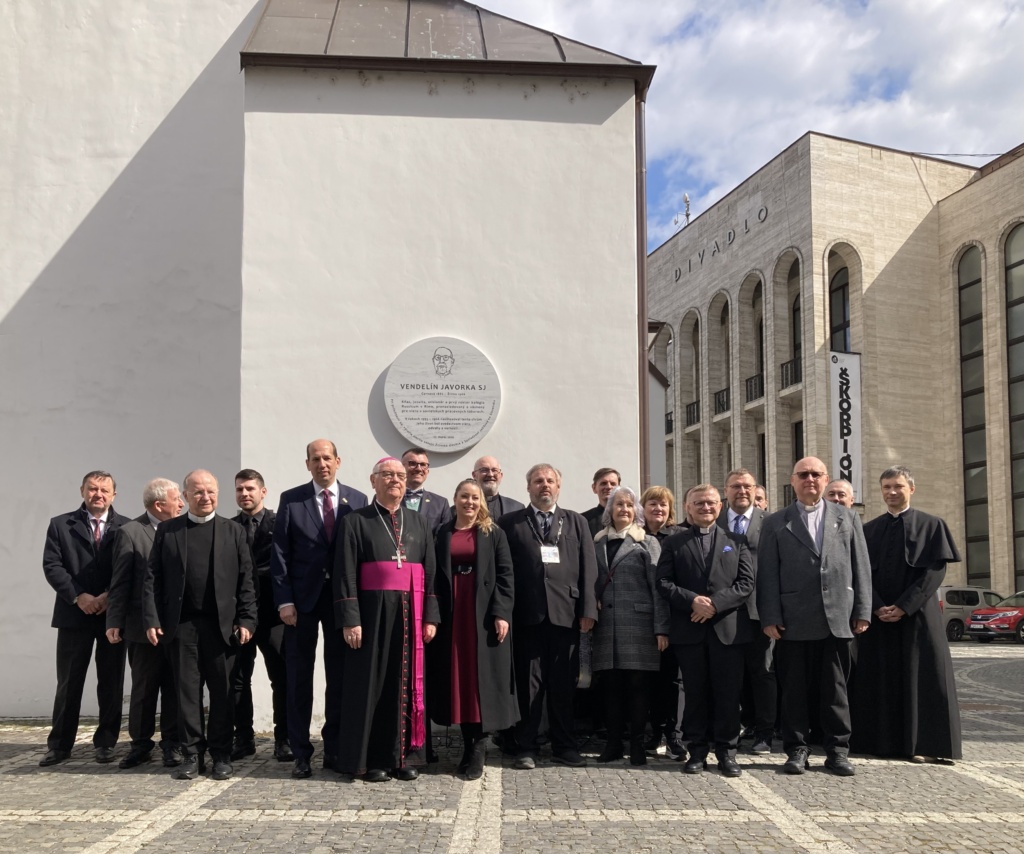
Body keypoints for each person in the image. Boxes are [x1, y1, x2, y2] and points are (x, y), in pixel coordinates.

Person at [757, 457, 871, 777]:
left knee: (836, 690)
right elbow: (767, 575)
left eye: (816, 474)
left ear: (826, 480)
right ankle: (797, 749)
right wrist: (769, 616)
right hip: (792, 620)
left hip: (838, 618)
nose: (810, 479)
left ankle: (837, 750)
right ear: (792, 481)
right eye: (803, 474)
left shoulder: (847, 518)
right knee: (794, 689)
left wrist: (862, 610)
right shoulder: (776, 522)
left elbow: (861, 567)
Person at [143, 470, 257, 781]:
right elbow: (153, 579)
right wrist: (152, 619)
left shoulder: (234, 531)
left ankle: (221, 754)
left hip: (223, 628)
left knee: (221, 693)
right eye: (198, 492)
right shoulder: (168, 531)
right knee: (186, 694)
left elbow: (247, 580)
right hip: (182, 627)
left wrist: (247, 618)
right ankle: (192, 754)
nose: (205, 497)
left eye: (210, 491)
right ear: (185, 496)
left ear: (217, 494)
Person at [334, 457, 440, 782]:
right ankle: (373, 759)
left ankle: (404, 757)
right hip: (370, 614)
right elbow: (344, 572)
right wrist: (351, 619)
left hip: (411, 613)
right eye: (387, 475)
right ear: (373, 480)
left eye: (399, 475)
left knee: (405, 682)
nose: (395, 479)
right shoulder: (356, 521)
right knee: (372, 686)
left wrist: (431, 617)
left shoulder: (419, 522)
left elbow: (431, 573)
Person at [850, 465, 962, 763]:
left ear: (911, 489)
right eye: (886, 487)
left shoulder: (932, 525)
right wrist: (876, 606)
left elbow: (934, 571)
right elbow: (860, 574)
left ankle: (926, 745)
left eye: (898, 486)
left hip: (918, 617)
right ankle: (882, 743)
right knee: (880, 680)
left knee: (924, 679)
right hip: (879, 619)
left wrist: (904, 606)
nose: (891, 492)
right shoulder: (868, 529)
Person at [271, 439, 367, 779]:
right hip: (301, 603)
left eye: (327, 458)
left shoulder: (356, 500)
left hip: (341, 601)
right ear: (307, 464)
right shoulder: (291, 499)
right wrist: (284, 600)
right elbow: (280, 552)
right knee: (299, 678)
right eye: (315, 459)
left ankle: (336, 747)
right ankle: (301, 751)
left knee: (340, 677)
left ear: (338, 461)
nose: (322, 463)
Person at [499, 464, 598, 770]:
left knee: (563, 686)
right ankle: (526, 746)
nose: (544, 485)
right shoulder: (510, 522)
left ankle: (564, 746)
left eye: (550, 481)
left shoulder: (577, 522)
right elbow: (504, 572)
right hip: (526, 617)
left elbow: (589, 567)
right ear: (528, 487)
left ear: (559, 486)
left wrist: (588, 611)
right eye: (538, 481)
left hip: (566, 616)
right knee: (528, 686)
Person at [657, 485, 754, 778]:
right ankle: (696, 750)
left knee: (727, 694)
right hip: (689, 632)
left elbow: (746, 583)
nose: (705, 508)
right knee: (695, 694)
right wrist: (692, 601)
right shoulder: (674, 543)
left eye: (711, 503)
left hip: (727, 631)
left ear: (720, 506)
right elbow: (663, 582)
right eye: (698, 503)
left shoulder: (737, 541)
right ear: (688, 508)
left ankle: (727, 752)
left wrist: (713, 604)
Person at [428, 479, 518, 780]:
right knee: (459, 682)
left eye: (475, 497)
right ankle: (467, 746)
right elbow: (433, 577)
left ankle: (478, 750)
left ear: (482, 502)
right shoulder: (442, 533)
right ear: (455, 499)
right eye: (464, 496)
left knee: (480, 684)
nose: (470, 502)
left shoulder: (494, 533)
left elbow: (506, 576)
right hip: (453, 615)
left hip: (482, 616)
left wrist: (501, 613)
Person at [40, 471, 130, 767]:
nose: (98, 494)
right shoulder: (60, 525)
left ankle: (106, 742)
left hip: (111, 615)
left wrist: (107, 596)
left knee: (111, 680)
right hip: (73, 615)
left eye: (104, 490)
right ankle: (60, 744)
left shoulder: (127, 527)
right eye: (92, 489)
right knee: (69, 681)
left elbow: (128, 568)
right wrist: (79, 596)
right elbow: (52, 565)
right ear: (82, 491)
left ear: (114, 495)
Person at [105, 478, 184, 769]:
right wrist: (113, 620)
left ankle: (172, 743)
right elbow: (120, 581)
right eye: (177, 499)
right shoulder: (130, 532)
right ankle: (140, 744)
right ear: (159, 504)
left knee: (176, 687)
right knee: (144, 688)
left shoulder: (182, 528)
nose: (182, 504)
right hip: (140, 628)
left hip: (175, 626)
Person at [592, 486, 668, 766]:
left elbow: (658, 588)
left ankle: (636, 745)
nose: (623, 509)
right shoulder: (597, 542)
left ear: (636, 511)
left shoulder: (647, 542)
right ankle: (613, 743)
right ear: (609, 510)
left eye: (628, 505)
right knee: (610, 688)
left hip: (640, 625)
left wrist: (661, 628)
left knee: (638, 687)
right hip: (605, 627)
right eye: (618, 504)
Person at [230, 469, 290, 763]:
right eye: (240, 489)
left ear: (262, 492)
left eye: (250, 489)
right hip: (239, 616)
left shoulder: (279, 523)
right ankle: (243, 738)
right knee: (238, 679)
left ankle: (284, 739)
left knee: (281, 678)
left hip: (274, 614)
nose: (245, 494)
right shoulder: (227, 527)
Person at [718, 468, 775, 756]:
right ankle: (729, 731)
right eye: (735, 486)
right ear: (725, 491)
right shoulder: (713, 520)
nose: (742, 491)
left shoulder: (771, 522)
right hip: (721, 612)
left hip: (758, 612)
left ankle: (764, 733)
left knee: (761, 674)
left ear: (755, 491)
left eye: (747, 486)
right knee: (729, 676)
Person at [640, 485, 687, 761]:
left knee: (672, 681)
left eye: (663, 505)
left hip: (674, 619)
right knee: (647, 681)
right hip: (640, 620)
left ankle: (673, 735)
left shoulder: (680, 536)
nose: (658, 509)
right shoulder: (634, 536)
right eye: (652, 504)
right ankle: (651, 733)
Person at [402, 447, 451, 534]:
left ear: (428, 471)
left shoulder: (441, 504)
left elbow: (445, 538)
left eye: (423, 464)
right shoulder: (388, 499)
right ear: (402, 468)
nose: (418, 469)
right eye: (412, 463)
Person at [472, 456, 525, 520]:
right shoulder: (464, 507)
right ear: (474, 475)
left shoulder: (517, 508)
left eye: (494, 470)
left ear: (501, 475)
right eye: (484, 470)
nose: (490, 474)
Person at [582, 468, 621, 538]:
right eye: (603, 483)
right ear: (594, 488)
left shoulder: (627, 518)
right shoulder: (583, 520)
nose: (608, 486)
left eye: (613, 484)